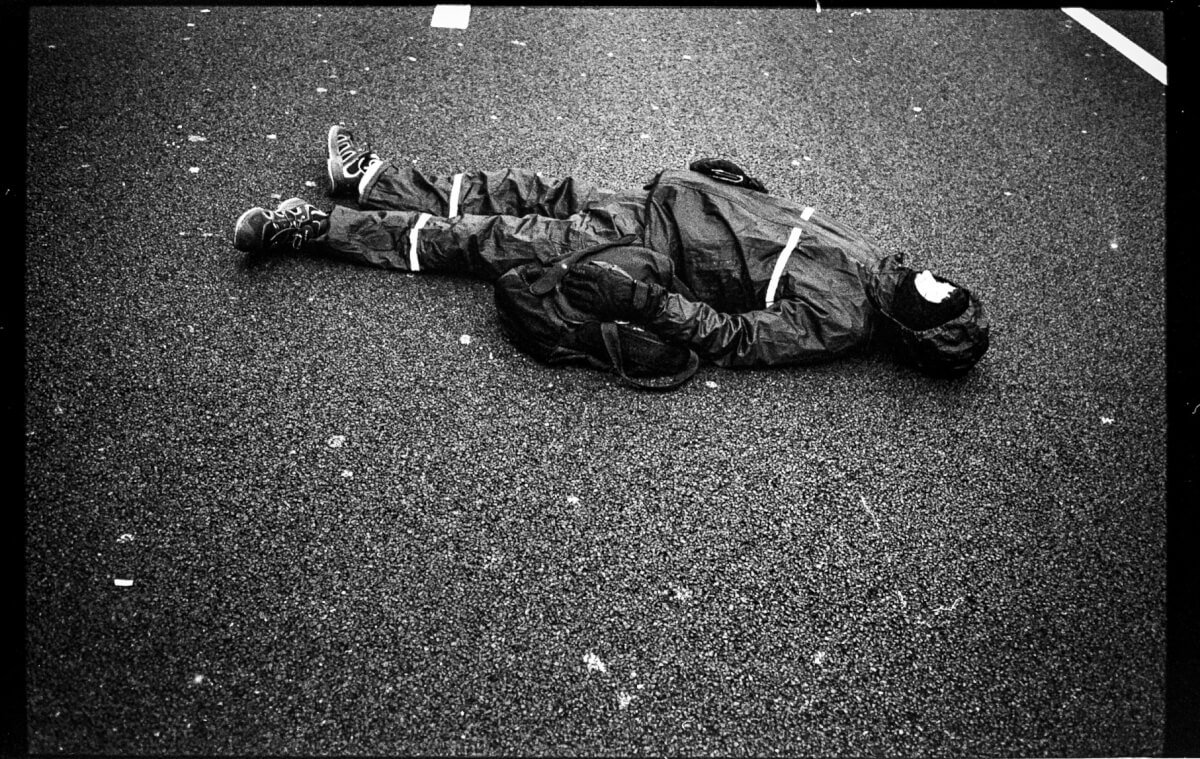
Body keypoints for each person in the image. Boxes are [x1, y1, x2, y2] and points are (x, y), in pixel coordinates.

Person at [233, 125, 990, 375]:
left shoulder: (843, 319)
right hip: (655, 200)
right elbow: (780, 226)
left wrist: (651, 301)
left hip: (642, 242)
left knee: (485, 240)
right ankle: (371, 180)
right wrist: (740, 185)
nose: (932, 280)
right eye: (943, 283)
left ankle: (313, 229)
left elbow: (737, 338)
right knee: (510, 189)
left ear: (914, 330)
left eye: (935, 298)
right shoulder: (875, 261)